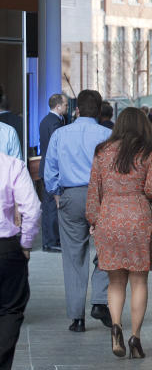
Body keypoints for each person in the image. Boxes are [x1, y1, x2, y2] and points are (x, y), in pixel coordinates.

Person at [86, 107, 152, 358]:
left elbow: (93, 191)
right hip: (138, 218)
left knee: (115, 281)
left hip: (109, 216)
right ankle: (135, 338)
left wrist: (94, 219)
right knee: (139, 281)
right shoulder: (148, 152)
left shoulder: (102, 151)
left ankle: (116, 326)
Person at [43, 89, 112, 332]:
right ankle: (100, 300)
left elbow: (49, 168)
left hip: (70, 195)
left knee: (73, 256)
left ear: (77, 110)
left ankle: (77, 318)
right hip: (102, 197)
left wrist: (56, 194)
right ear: (100, 111)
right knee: (107, 247)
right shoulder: (108, 135)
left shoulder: (61, 134)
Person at [0, 151, 40, 370]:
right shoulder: (12, 166)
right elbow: (32, 209)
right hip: (5, 247)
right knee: (11, 307)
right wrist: (26, 244)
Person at [38, 93, 68, 253]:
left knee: (48, 206)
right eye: (65, 105)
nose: (66, 107)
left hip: (45, 168)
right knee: (51, 207)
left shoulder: (45, 121)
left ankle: (49, 241)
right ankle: (51, 242)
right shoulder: (55, 123)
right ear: (58, 106)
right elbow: (57, 148)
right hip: (52, 170)